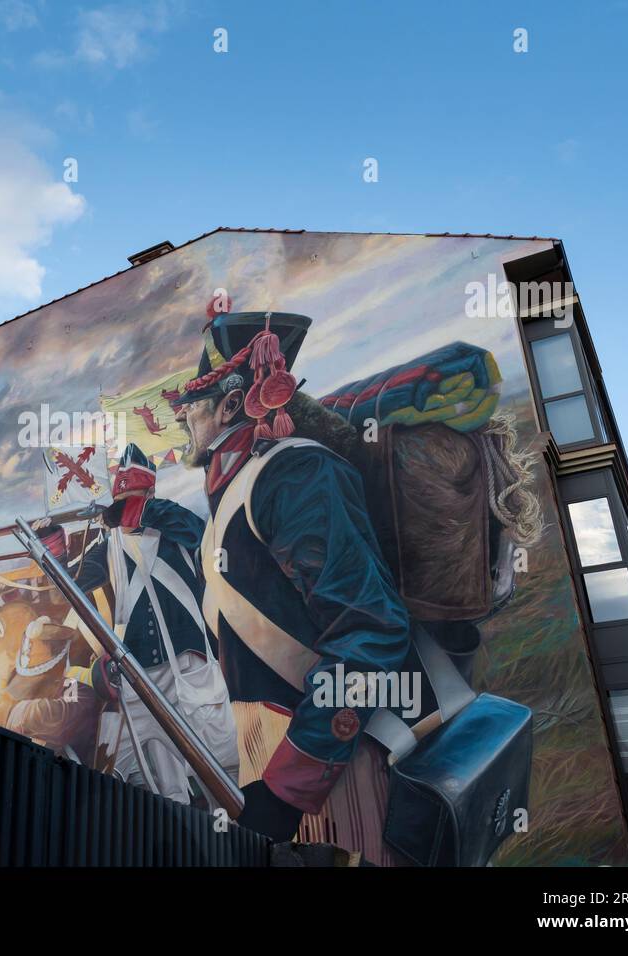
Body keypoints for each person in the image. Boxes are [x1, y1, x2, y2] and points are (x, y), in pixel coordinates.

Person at [167, 310, 422, 862]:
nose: (182, 415)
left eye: (193, 402)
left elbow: (370, 631)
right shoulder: (228, 497)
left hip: (331, 759)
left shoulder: (294, 474)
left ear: (231, 405)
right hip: (267, 757)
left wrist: (287, 789)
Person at [46, 442, 238, 806]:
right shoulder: (107, 546)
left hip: (190, 664)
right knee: (165, 786)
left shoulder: (176, 524)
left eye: (136, 498)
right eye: (125, 500)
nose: (128, 508)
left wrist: (144, 510)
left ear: (150, 493)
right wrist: (53, 550)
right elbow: (66, 589)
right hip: (142, 675)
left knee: (221, 764)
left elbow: (202, 536)